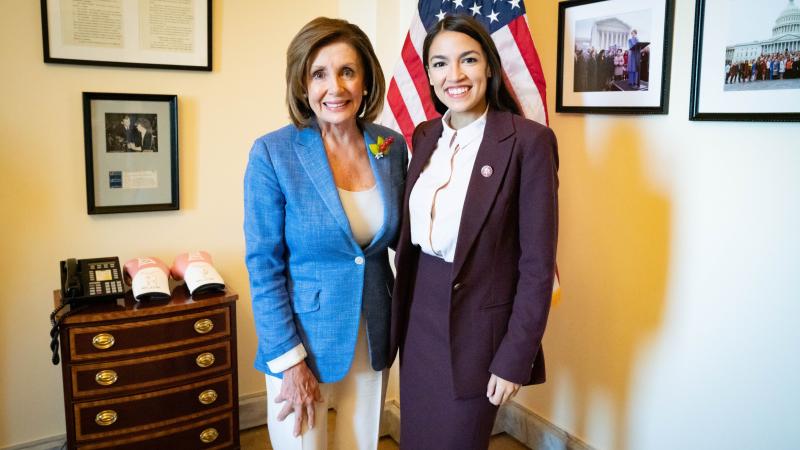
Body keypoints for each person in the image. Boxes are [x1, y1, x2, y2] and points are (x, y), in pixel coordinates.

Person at [389, 15, 558, 450]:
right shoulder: (425, 135)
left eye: (468, 60)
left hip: (477, 331)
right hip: (418, 316)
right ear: (427, 74)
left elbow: (537, 266)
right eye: (440, 63)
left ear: (489, 66)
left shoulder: (528, 142)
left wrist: (514, 357)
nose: (455, 75)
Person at [243, 16, 407, 450]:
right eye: (319, 73)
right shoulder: (272, 153)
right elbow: (264, 266)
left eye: (347, 71)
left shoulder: (389, 147)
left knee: (361, 443)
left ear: (366, 81)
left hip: (373, 328)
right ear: (302, 85)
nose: (335, 87)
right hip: (303, 341)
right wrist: (290, 360)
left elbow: (404, 241)